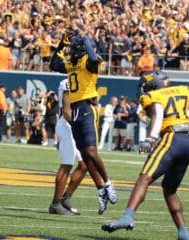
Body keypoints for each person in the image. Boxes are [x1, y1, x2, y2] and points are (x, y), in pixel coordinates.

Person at [102, 70, 189, 240]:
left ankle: (128, 216)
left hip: (172, 138)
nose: (143, 89)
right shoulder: (182, 90)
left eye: (145, 85)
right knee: (169, 190)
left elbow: (158, 113)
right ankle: (183, 232)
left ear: (153, 84)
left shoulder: (152, 96)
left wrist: (150, 138)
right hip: (188, 142)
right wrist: (188, 98)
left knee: (144, 178)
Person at [50, 30, 117, 215]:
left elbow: (93, 59)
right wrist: (62, 45)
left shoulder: (84, 63)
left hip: (83, 110)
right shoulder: (72, 67)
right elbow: (54, 64)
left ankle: (102, 187)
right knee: (79, 160)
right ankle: (59, 201)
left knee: (88, 158)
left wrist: (82, 43)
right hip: (72, 117)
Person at [49, 79, 88, 215]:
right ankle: (56, 203)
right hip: (67, 126)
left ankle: (66, 198)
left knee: (84, 164)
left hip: (75, 126)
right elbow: (67, 110)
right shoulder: (68, 82)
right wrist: (80, 126)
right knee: (66, 165)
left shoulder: (86, 81)